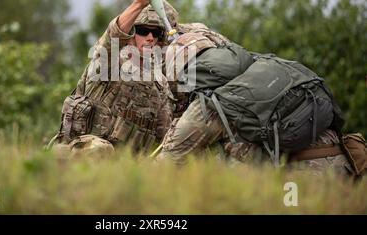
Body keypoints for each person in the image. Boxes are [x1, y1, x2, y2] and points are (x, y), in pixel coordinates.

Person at [156, 23, 365, 178]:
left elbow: (165, 166)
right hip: (348, 163)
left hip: (303, 183)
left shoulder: (210, 106)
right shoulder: (264, 66)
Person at [49, 0, 178, 158]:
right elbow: (113, 36)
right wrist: (139, 3)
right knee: (101, 150)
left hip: (124, 169)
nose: (150, 37)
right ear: (132, 34)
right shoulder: (110, 62)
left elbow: (166, 138)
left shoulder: (159, 83)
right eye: (142, 31)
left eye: (155, 32)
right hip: (80, 156)